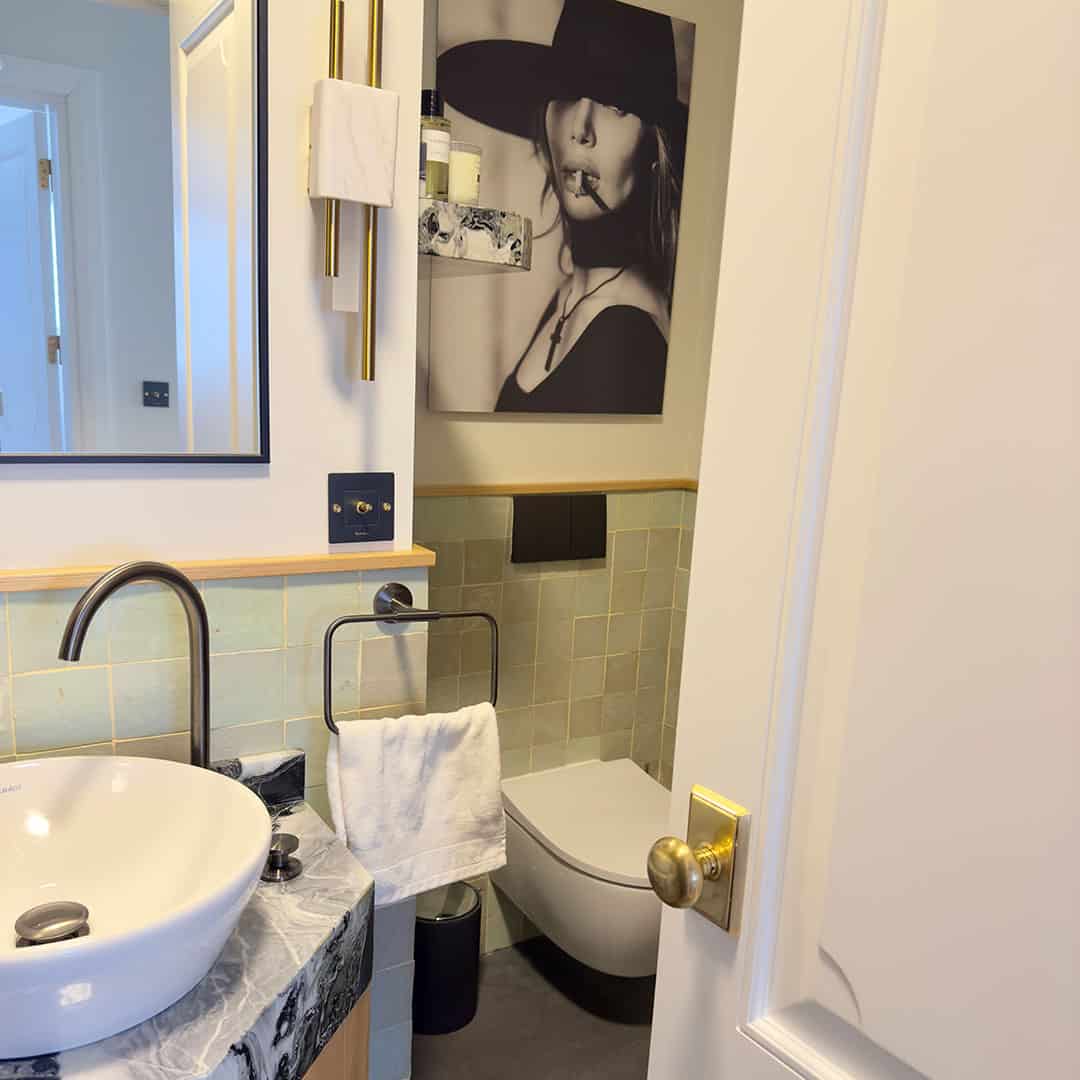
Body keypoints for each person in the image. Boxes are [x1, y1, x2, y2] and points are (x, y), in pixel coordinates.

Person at [438, 0, 688, 414]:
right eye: (569, 97)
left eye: (615, 106)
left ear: (654, 147)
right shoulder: (573, 292)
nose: (580, 130)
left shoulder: (628, 332)